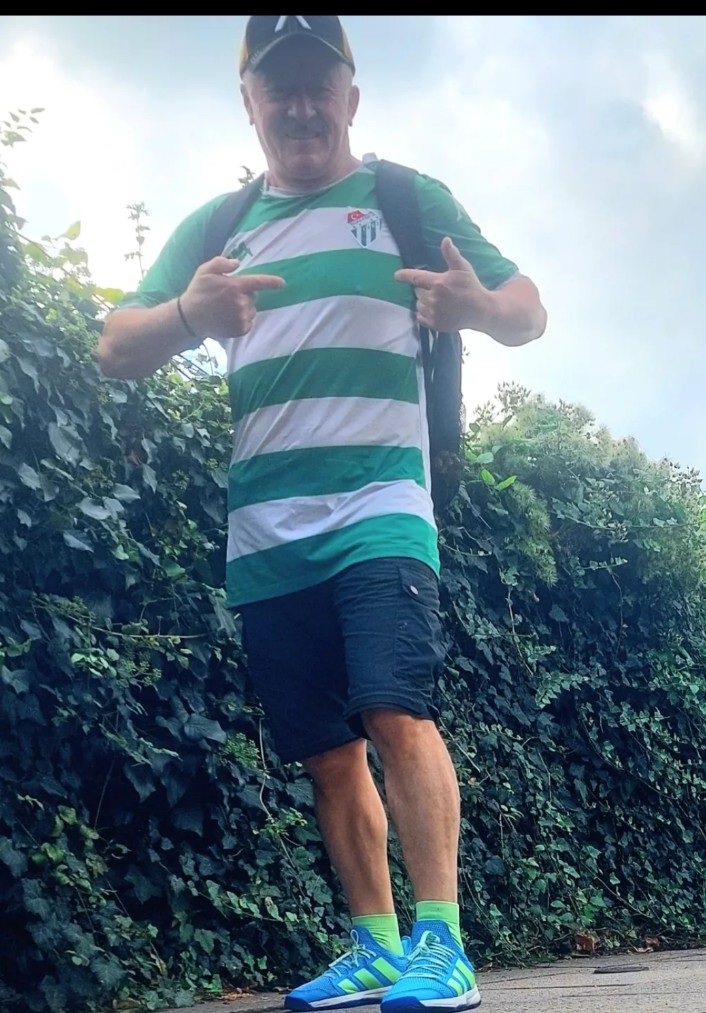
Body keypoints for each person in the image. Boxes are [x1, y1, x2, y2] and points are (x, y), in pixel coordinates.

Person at [98, 15, 546, 1013]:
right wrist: (188, 316)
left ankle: (442, 940)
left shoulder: (406, 199)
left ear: (352, 96)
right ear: (249, 103)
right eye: (279, 88)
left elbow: (527, 308)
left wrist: (475, 307)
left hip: (382, 505)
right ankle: (376, 945)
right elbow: (115, 345)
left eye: (317, 85)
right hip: (266, 531)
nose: (300, 106)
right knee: (327, 751)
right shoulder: (215, 229)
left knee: (395, 709)